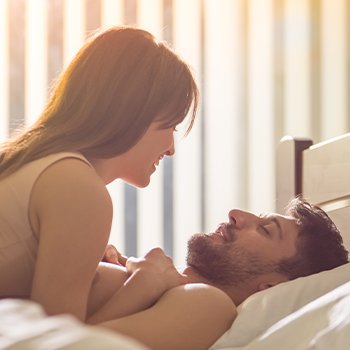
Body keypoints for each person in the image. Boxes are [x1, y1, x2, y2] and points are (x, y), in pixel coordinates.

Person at [0, 25, 199, 324]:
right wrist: (146, 284)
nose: (171, 148)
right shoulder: (80, 190)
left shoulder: (31, 160)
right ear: (132, 112)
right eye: (169, 126)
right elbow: (54, 340)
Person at [86, 197, 349, 350]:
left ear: (271, 286)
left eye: (265, 229)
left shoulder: (209, 304)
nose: (235, 214)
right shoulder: (161, 285)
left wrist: (144, 282)